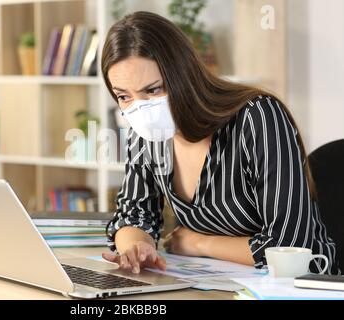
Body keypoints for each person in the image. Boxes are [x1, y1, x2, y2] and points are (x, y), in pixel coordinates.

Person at [100, 11, 340, 275]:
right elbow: (133, 216)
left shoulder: (257, 117)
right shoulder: (144, 132)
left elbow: (290, 247)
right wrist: (137, 246)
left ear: (184, 75)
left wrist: (199, 243)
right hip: (215, 280)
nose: (140, 108)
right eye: (124, 96)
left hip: (298, 284)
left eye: (153, 90)